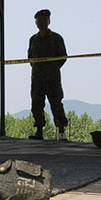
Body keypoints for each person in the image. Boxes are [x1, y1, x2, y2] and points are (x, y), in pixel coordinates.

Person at [27, 9, 68, 141]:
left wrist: (52, 68)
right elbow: (30, 58)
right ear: (36, 23)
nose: (42, 23)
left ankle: (61, 131)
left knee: (56, 103)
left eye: (44, 20)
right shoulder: (33, 39)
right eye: (39, 21)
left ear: (49, 22)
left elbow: (63, 57)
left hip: (52, 78)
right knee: (36, 104)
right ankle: (39, 130)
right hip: (37, 78)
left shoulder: (56, 38)